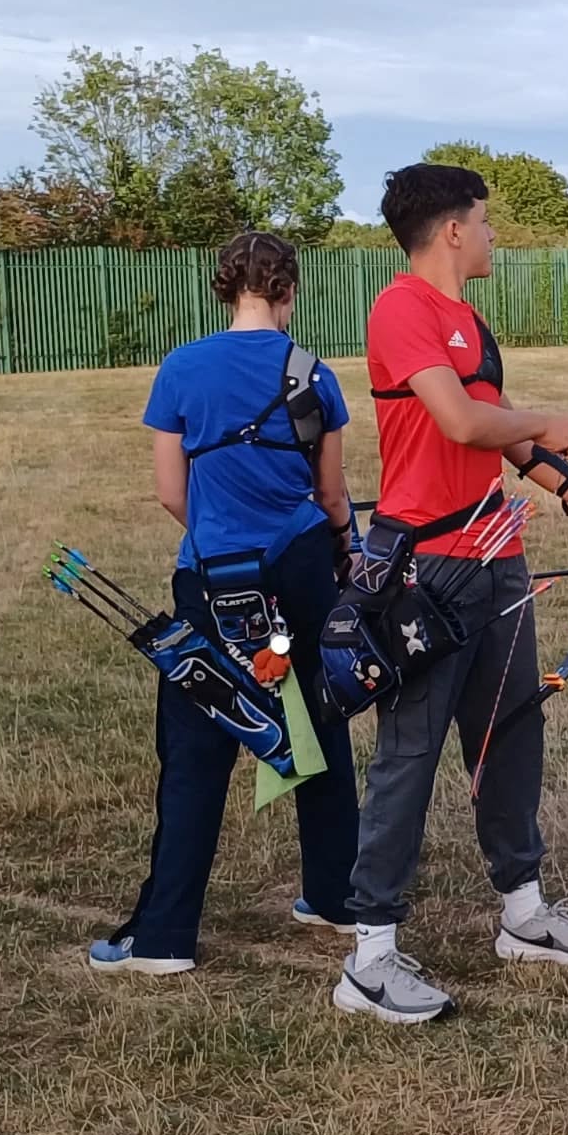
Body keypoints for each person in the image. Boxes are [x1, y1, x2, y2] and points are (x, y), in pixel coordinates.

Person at [333, 163, 568, 1025]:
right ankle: (369, 955)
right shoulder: (401, 309)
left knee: (509, 733)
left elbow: (507, 443)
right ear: (450, 230)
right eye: (484, 221)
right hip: (425, 573)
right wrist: (543, 417)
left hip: (496, 560)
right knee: (410, 752)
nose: (491, 235)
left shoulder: (467, 322)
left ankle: (522, 912)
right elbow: (465, 423)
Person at [89, 231, 362, 974]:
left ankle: (165, 939)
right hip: (304, 566)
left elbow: (169, 491)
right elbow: (332, 495)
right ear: (288, 292)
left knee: (196, 745)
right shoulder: (313, 374)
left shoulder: (181, 368)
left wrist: (218, 538)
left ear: (224, 288)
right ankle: (337, 897)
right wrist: (340, 548)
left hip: (213, 574)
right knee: (319, 722)